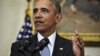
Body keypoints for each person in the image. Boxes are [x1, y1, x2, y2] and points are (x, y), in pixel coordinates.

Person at [10, 0, 84, 56]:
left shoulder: (70, 47)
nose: (37, 15)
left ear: (57, 18)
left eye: (44, 11)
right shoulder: (19, 47)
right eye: (35, 11)